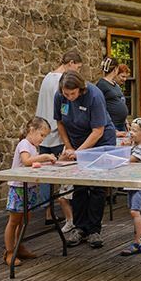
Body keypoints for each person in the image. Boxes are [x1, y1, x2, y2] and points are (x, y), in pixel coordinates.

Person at [56, 70, 117, 249]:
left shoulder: (94, 95)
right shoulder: (60, 96)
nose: (69, 97)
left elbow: (98, 130)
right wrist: (69, 147)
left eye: (72, 94)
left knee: (96, 186)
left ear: (80, 89)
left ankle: (94, 230)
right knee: (79, 185)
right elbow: (60, 122)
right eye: (66, 94)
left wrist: (78, 152)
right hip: (76, 143)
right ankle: (80, 227)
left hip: (100, 142)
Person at [36, 51, 82, 229]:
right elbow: (63, 108)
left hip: (43, 135)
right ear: (70, 63)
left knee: (47, 176)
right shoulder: (62, 81)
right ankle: (68, 214)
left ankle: (48, 212)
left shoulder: (47, 77)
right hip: (56, 133)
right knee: (65, 174)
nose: (76, 72)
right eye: (77, 68)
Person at [3, 117, 57, 266]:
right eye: (42, 135)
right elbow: (27, 161)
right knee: (14, 220)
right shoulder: (24, 144)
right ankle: (9, 252)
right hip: (19, 187)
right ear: (32, 130)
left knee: (25, 220)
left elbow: (34, 163)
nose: (42, 139)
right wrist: (45, 156)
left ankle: (19, 246)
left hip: (29, 187)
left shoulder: (33, 146)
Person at [120, 117, 141, 256]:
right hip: (132, 183)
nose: (131, 133)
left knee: (135, 211)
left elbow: (130, 160)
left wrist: (120, 154)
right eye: (130, 130)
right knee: (134, 211)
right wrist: (125, 146)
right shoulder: (135, 146)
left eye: (134, 131)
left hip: (140, 184)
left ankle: (137, 242)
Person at [97, 56, 130, 132]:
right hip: (113, 126)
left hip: (122, 125)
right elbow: (100, 108)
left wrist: (126, 122)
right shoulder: (102, 84)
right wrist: (112, 129)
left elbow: (120, 102)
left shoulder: (115, 84)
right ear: (115, 69)